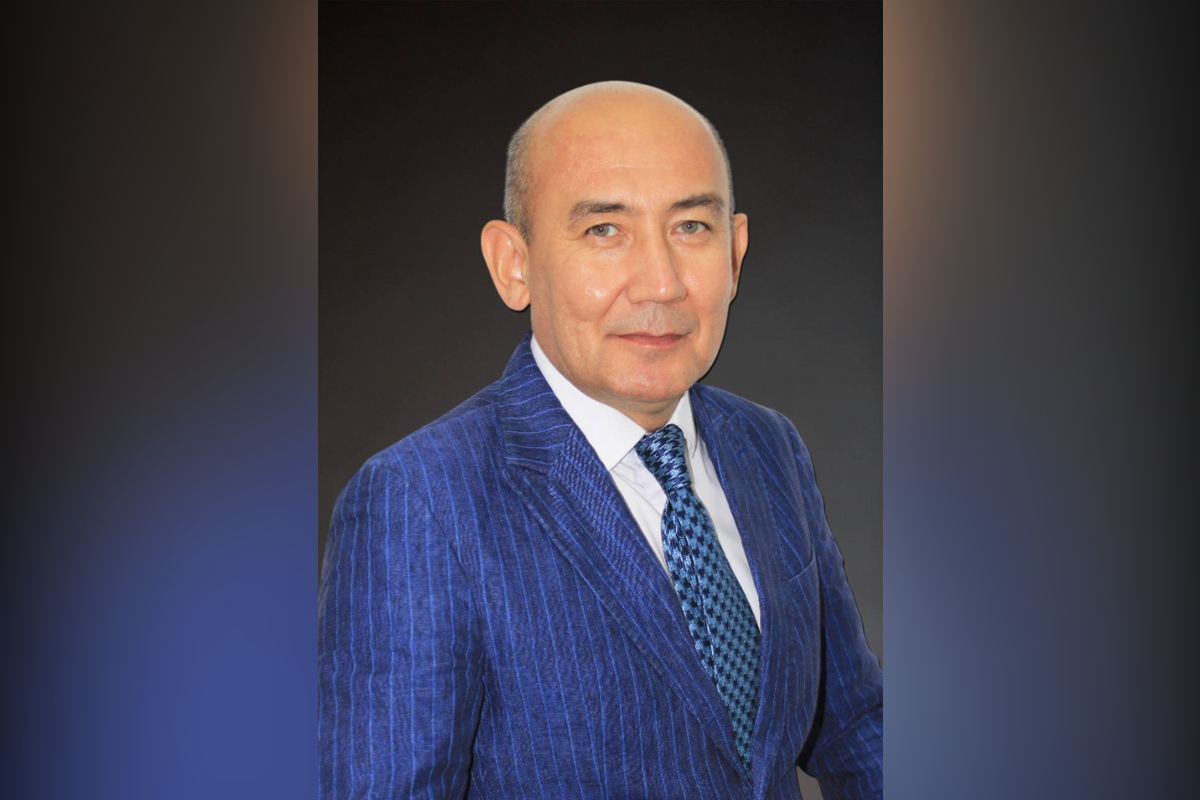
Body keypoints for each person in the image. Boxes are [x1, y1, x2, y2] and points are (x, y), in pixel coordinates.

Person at [318, 81, 882, 799]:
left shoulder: (767, 446)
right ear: (513, 264)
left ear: (735, 253)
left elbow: (857, 726)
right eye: (604, 231)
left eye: (691, 227)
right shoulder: (420, 501)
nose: (661, 284)